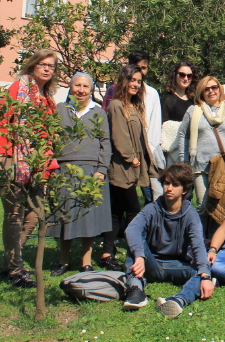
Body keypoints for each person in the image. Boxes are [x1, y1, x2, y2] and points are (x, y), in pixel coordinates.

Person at [0, 49, 59, 288]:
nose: (46, 69)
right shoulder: (16, 89)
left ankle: (8, 262)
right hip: (14, 162)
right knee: (13, 217)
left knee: (34, 215)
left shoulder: (46, 97)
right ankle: (16, 269)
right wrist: (0, 159)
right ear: (32, 66)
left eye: (51, 66)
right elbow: (1, 122)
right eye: (42, 64)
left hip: (38, 165)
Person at [121, 163, 214, 317]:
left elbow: (198, 245)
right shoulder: (152, 208)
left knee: (204, 270)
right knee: (135, 243)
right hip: (150, 263)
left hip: (176, 265)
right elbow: (132, 229)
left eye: (175, 185)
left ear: (184, 190)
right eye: (166, 183)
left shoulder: (191, 215)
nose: (169, 188)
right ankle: (136, 292)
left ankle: (178, 300)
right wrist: (140, 256)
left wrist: (205, 276)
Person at [47, 72, 112, 276]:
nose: (81, 90)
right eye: (77, 85)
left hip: (91, 171)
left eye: (85, 86)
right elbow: (50, 139)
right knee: (64, 218)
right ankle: (64, 261)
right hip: (64, 170)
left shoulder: (98, 112)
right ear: (71, 88)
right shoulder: (60, 110)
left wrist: (101, 170)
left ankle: (86, 262)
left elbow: (105, 143)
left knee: (88, 218)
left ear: (91, 90)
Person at [103, 64, 158, 271]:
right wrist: (132, 158)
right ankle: (134, 250)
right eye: (132, 80)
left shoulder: (133, 106)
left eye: (139, 81)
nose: (135, 84)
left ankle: (108, 252)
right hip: (123, 167)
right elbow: (119, 135)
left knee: (117, 211)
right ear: (123, 81)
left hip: (133, 166)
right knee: (134, 209)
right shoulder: (117, 105)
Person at [178, 76, 225, 213]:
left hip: (224, 166)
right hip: (201, 165)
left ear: (219, 89)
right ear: (201, 92)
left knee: (224, 205)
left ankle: (218, 234)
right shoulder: (193, 110)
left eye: (214, 87)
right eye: (206, 89)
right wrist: (184, 162)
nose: (211, 91)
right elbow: (183, 135)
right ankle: (200, 235)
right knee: (203, 204)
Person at [104, 51, 164, 202]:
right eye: (136, 68)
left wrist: (146, 152)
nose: (137, 81)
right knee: (126, 203)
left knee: (150, 197)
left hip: (144, 153)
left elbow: (153, 125)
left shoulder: (150, 94)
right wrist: (131, 156)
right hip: (124, 157)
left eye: (143, 68)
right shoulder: (115, 95)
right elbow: (113, 127)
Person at [160, 60, 199, 166]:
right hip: (174, 152)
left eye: (189, 76)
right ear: (175, 76)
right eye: (182, 75)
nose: (186, 79)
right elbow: (163, 125)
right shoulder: (168, 99)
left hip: (192, 151)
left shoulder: (194, 100)